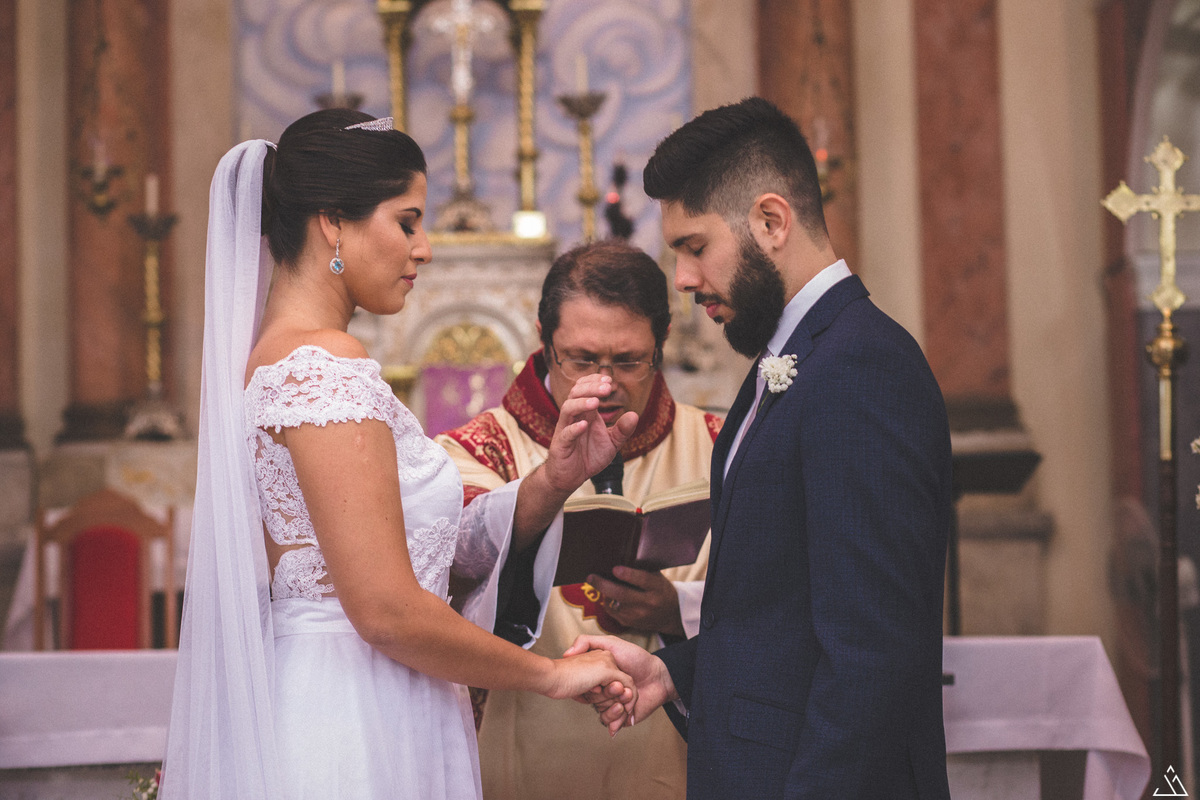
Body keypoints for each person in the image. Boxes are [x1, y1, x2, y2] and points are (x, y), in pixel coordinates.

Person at [159, 109, 638, 800]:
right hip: (356, 712)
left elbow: (404, 555)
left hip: (353, 692)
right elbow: (384, 608)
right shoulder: (324, 366)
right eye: (407, 221)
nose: (425, 249)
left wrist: (555, 479)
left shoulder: (281, 358)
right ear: (333, 222)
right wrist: (552, 675)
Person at [571, 97, 954, 799]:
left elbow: (870, 656)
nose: (682, 281)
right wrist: (674, 673)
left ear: (771, 221)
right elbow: (780, 617)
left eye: (694, 247)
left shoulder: (862, 369)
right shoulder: (791, 366)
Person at [436, 240, 723, 800]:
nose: (607, 383)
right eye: (583, 360)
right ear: (545, 344)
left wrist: (679, 609)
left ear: (661, 346)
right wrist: (553, 482)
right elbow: (453, 572)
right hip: (521, 761)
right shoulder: (477, 449)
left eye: (628, 360)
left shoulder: (720, 446)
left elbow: (781, 596)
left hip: (676, 762)